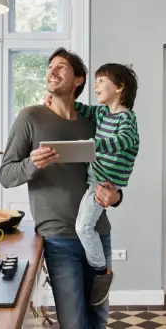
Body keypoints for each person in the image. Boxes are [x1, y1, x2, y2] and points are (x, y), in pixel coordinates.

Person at [0, 47, 123, 329]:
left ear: (79, 79)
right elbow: (6, 175)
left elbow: (114, 170)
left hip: (98, 234)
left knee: (99, 319)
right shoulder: (30, 117)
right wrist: (32, 164)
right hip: (58, 240)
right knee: (74, 322)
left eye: (62, 67)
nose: (52, 71)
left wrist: (116, 196)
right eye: (50, 66)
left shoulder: (95, 122)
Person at [44, 63, 139, 306]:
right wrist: (53, 100)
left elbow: (125, 140)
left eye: (100, 81)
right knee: (85, 227)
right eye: (95, 81)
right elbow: (81, 108)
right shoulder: (102, 113)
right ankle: (97, 268)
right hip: (96, 180)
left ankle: (100, 272)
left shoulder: (126, 119)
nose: (95, 86)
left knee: (83, 228)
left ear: (119, 87)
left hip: (102, 184)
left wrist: (93, 147)